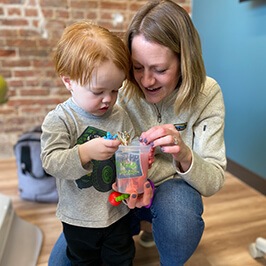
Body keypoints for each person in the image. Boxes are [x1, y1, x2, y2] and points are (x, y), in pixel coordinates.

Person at [48, 0, 227, 265]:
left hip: (169, 190)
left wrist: (185, 155)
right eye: (137, 67)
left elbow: (213, 181)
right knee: (60, 262)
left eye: (160, 69)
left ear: (184, 61)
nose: (145, 81)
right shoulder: (116, 89)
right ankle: (141, 225)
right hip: (114, 193)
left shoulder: (207, 94)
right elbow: (63, 158)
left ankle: (161, 237)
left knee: (179, 219)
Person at [41, 20, 139, 266]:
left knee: (122, 258)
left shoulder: (119, 115)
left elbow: (130, 151)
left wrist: (132, 181)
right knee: (83, 261)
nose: (108, 100)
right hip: (78, 219)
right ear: (69, 81)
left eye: (115, 90)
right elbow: (51, 161)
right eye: (98, 91)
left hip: (117, 213)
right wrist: (84, 152)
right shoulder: (60, 119)